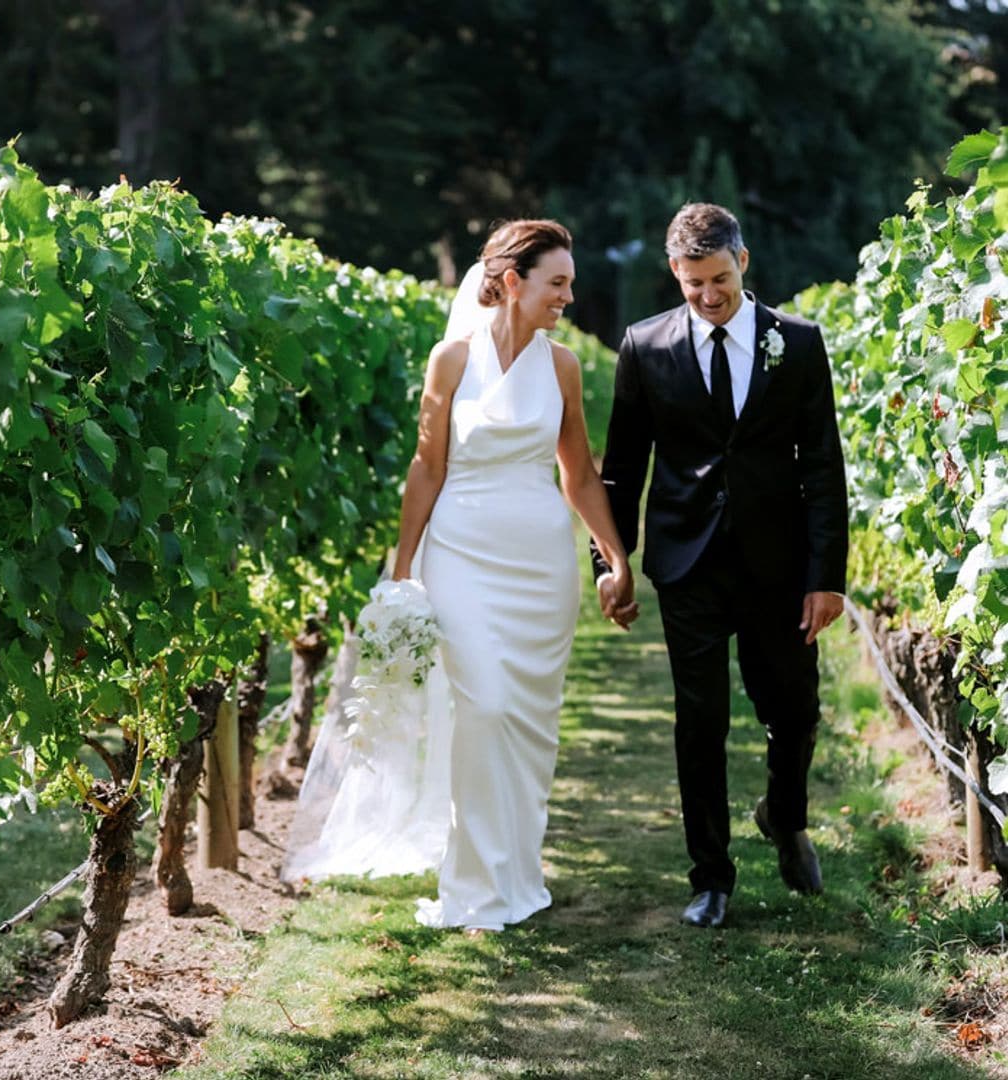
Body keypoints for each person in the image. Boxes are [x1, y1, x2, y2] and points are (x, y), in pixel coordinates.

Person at [283, 219, 635, 933]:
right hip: (462, 556)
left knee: (529, 728)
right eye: (557, 283)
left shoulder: (562, 366)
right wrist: (405, 570)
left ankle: (517, 875)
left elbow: (579, 473)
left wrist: (615, 557)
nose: (568, 296)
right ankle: (473, 889)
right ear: (512, 282)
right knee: (485, 709)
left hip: (540, 564)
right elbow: (427, 468)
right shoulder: (450, 361)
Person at [591, 203, 848, 929]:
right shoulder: (645, 346)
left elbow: (823, 464)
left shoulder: (796, 343)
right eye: (694, 282)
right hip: (688, 562)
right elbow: (621, 470)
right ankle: (711, 876)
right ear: (675, 271)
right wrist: (612, 560)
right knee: (699, 721)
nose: (709, 295)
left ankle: (786, 817)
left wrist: (826, 575)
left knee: (793, 712)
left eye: (720, 279)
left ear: (744, 261)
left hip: (779, 562)